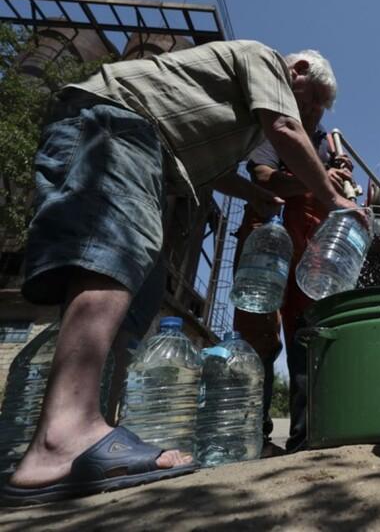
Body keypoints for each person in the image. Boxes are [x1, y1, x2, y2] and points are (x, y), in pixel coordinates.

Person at [1, 40, 359, 505]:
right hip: (115, 125)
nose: (311, 116)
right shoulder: (263, 61)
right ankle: (60, 439)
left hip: (151, 157)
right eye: (311, 101)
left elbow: (213, 175)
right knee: (109, 257)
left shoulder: (231, 124)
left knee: (133, 288)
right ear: (300, 72)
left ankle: (91, 431)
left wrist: (254, 197)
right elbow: (286, 127)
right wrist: (336, 202)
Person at [246, 112, 355, 453]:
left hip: (313, 243)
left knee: (308, 337)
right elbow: (264, 178)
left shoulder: (326, 142)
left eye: (324, 102)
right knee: (259, 331)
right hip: (269, 237)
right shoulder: (274, 129)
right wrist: (319, 178)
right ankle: (252, 437)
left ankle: (306, 437)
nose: (317, 108)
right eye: (313, 98)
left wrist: (339, 182)